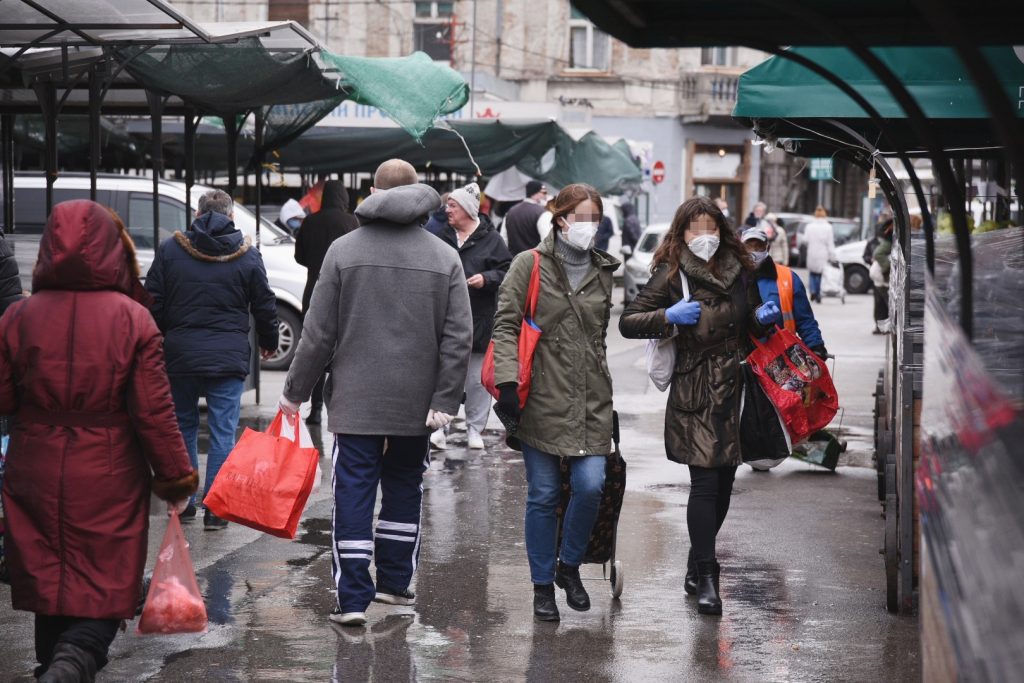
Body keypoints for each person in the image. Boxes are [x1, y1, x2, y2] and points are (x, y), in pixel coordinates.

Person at [0, 200, 196, 682]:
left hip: (34, 464)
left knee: (51, 578)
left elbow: (3, 397)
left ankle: (54, 665)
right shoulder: (133, 320)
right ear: (114, 250)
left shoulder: (17, 318)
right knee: (105, 584)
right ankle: (69, 665)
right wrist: (175, 476)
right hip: (108, 471)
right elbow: (153, 411)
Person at [278, 159, 472, 627]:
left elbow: (317, 335)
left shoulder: (344, 251)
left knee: (353, 493)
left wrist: (294, 393)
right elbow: (458, 337)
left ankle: (352, 600)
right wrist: (445, 400)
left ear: (373, 192)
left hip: (356, 401)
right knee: (404, 488)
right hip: (417, 405)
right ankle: (394, 585)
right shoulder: (444, 256)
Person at [619, 196, 775, 616]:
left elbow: (749, 317)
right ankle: (708, 575)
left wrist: (761, 317)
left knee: (724, 483)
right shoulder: (672, 272)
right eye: (695, 228)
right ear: (682, 232)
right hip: (696, 388)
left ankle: (696, 558)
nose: (704, 236)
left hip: (736, 387)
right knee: (705, 483)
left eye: (711, 227)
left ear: (722, 231)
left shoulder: (740, 269)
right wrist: (668, 316)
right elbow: (628, 321)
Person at [491, 183, 621, 622]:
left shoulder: (604, 270)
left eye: (595, 218)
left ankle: (569, 565)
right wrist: (507, 382)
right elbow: (505, 325)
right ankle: (542, 586)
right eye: (582, 217)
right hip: (540, 396)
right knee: (544, 494)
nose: (590, 226)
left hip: (590, 399)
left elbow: (598, 339)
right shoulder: (529, 264)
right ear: (561, 218)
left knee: (591, 485)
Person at [145, 190, 279, 530]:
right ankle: (216, 510)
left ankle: (185, 502)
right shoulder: (247, 255)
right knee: (223, 432)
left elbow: (152, 300)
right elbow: (264, 304)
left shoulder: (171, 250)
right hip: (227, 357)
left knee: (184, 426)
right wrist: (269, 341)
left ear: (196, 215)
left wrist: (160, 338)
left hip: (180, 355)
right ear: (231, 216)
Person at [436, 182, 512, 450]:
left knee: (477, 380)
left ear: (468, 210)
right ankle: (440, 427)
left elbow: (508, 271)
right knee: (444, 375)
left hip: (479, 320)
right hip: (445, 320)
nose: (447, 210)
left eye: (453, 206)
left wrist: (487, 278)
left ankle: (474, 429)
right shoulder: (442, 236)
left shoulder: (492, 240)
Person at [294, 180, 360, 425]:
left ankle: (315, 409)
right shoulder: (351, 223)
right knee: (343, 352)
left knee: (314, 350)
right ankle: (340, 408)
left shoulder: (310, 222)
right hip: (344, 292)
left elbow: (299, 256)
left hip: (314, 290)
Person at [503, 180, 548, 255]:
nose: (546, 196)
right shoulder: (542, 213)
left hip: (513, 259)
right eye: (544, 192)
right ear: (535, 192)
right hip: (534, 260)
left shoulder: (510, 212)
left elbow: (504, 240)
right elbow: (547, 243)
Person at [803, 205, 836, 303]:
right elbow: (830, 243)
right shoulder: (828, 227)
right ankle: (818, 293)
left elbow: (805, 240)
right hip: (823, 253)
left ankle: (813, 290)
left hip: (812, 252)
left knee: (812, 273)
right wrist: (832, 255)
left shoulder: (809, 226)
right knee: (821, 274)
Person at [870, 219, 894, 334]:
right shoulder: (886, 241)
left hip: (880, 278)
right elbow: (876, 254)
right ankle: (882, 327)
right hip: (880, 278)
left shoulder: (885, 240)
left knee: (883, 303)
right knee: (883, 303)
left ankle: (883, 326)